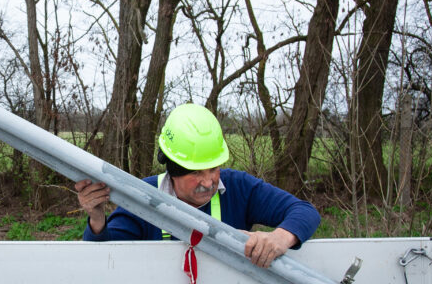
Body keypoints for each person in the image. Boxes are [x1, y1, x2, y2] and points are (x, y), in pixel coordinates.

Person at [75, 104, 320, 268]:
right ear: (173, 170)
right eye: (196, 172)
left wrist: (280, 238)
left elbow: (304, 212)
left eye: (213, 168)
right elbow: (105, 260)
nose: (209, 181)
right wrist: (97, 219)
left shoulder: (239, 188)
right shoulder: (143, 197)